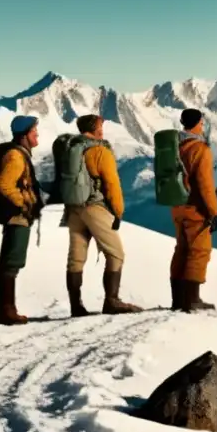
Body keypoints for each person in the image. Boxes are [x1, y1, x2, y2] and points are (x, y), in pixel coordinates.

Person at [63, 114, 141, 316]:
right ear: (93, 128)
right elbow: (112, 184)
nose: (102, 129)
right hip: (95, 207)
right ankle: (111, 301)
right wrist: (118, 212)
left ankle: (75, 306)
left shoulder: (72, 149)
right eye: (100, 126)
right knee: (116, 254)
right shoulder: (99, 151)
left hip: (73, 209)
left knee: (76, 258)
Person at [0, 115, 44, 325]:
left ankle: (7, 310)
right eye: (33, 131)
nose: (37, 134)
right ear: (24, 135)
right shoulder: (15, 156)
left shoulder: (18, 154)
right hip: (16, 217)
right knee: (10, 264)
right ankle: (6, 312)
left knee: (11, 263)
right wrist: (22, 202)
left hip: (18, 216)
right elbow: (4, 184)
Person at [170, 108, 217, 312]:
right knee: (199, 251)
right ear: (197, 123)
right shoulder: (200, 149)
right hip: (195, 208)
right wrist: (213, 211)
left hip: (177, 207)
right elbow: (205, 184)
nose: (203, 126)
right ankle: (192, 300)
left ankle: (178, 300)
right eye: (201, 122)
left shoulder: (175, 146)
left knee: (182, 250)